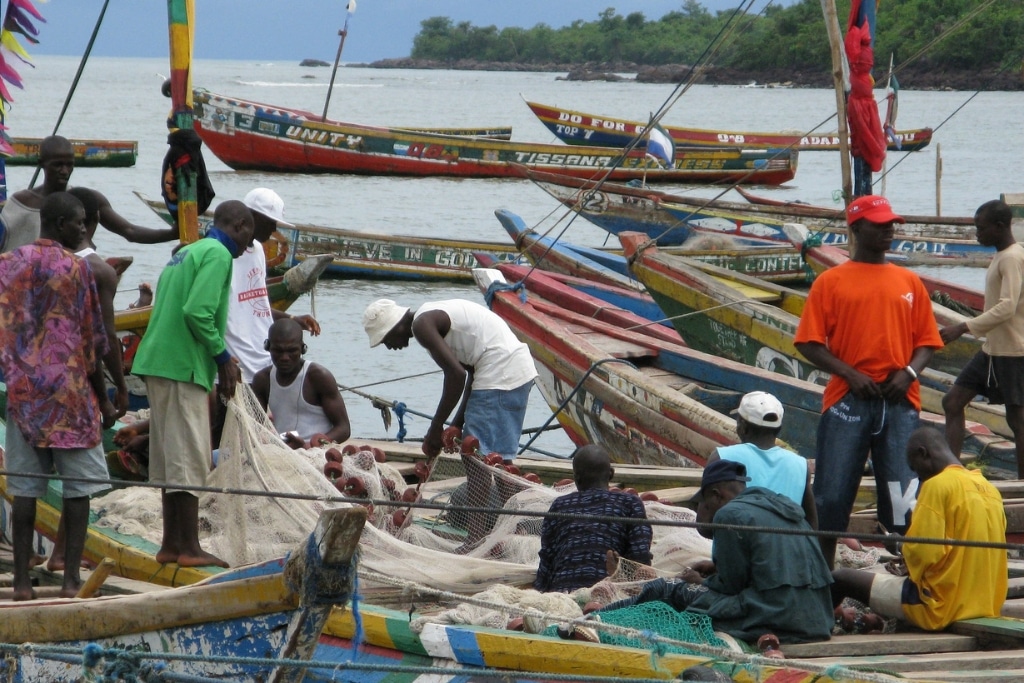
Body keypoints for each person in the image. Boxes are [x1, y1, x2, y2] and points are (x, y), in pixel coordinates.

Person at [794, 195, 943, 568]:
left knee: (903, 498)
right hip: (847, 400)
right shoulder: (830, 282)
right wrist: (850, 373)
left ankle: (906, 573)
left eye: (892, 223)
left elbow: (927, 343)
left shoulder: (909, 281)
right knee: (831, 497)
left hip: (900, 402)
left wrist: (908, 374)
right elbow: (808, 343)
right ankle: (821, 577)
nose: (889, 230)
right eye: (880, 224)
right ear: (857, 228)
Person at [0, 192, 118, 600]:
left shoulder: (7, 264)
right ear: (59, 223)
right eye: (79, 222)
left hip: (23, 396)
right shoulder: (76, 267)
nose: (83, 230)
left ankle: (20, 583)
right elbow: (92, 339)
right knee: (78, 490)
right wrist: (105, 398)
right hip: (70, 396)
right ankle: (69, 580)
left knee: (25, 489)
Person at [130, 199, 255, 569]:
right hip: (181, 365)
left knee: (169, 458)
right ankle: (189, 548)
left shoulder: (187, 252)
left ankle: (170, 545)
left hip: (157, 361)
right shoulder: (217, 254)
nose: (248, 245)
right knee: (188, 457)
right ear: (240, 226)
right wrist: (223, 358)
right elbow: (197, 312)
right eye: (249, 236)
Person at [603, 460, 834, 645]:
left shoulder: (729, 514)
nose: (701, 511)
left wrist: (700, 581)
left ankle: (599, 618)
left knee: (667, 588)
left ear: (716, 495)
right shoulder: (780, 507)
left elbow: (730, 587)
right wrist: (716, 566)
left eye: (703, 504)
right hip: (817, 621)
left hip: (776, 617)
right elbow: (773, 564)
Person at [831, 427, 1007, 630]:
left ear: (923, 453)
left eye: (914, 468)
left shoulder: (936, 485)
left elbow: (924, 553)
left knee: (840, 578)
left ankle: (828, 628)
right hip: (984, 605)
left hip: (940, 606)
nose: (918, 477)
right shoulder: (990, 490)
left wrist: (899, 545)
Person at [362, 298, 537, 461]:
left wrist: (435, 428)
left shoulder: (422, 325)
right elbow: (471, 373)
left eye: (385, 340)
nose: (388, 346)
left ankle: (486, 487)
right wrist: (456, 425)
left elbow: (456, 375)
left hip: (499, 372)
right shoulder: (430, 317)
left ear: (394, 327)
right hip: (517, 369)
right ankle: (503, 486)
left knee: (477, 458)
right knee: (498, 458)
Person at [940, 200, 1024, 475]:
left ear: (999, 227)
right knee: (952, 402)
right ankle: (952, 473)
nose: (977, 234)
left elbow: (1007, 306)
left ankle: (1021, 486)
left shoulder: (1012, 257)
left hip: (1013, 351)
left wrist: (963, 327)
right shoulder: (1002, 256)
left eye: (981, 228)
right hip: (992, 349)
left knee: (1018, 421)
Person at [0, 135, 178, 254]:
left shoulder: (85, 200)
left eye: (69, 165)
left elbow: (129, 231)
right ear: (42, 164)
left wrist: (172, 234)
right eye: (58, 165)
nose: (65, 171)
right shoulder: (22, 202)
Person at [228, 188, 320, 384]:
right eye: (270, 222)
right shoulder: (225, 256)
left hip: (265, 360)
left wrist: (292, 318)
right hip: (239, 364)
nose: (273, 229)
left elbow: (255, 304)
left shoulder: (258, 250)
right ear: (251, 217)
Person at [534, 444, 653, 593]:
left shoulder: (560, 505)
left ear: (577, 478)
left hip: (564, 592)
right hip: (609, 592)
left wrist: (539, 591)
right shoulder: (630, 503)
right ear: (611, 474)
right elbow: (640, 557)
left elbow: (546, 560)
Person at [709, 391, 816, 528]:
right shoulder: (801, 466)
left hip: (735, 541)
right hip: (783, 542)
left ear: (743, 427)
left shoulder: (720, 457)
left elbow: (704, 525)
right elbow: (812, 526)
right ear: (779, 429)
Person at [252, 318, 351, 446]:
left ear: (303, 349)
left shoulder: (319, 377)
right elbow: (254, 425)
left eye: (292, 350)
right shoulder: (262, 380)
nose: (285, 357)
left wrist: (309, 446)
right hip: (282, 448)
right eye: (278, 351)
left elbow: (343, 428)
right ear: (268, 347)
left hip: (317, 450)